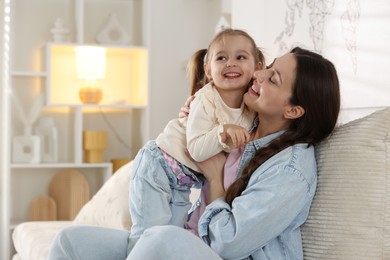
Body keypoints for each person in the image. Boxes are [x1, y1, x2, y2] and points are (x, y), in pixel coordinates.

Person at [48, 47, 340, 260]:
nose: (259, 74)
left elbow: (229, 243)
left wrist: (214, 181)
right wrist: (197, 110)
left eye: (273, 78)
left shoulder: (291, 171)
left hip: (219, 252)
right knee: (69, 242)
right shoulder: (246, 125)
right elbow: (210, 105)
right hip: (192, 240)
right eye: (269, 65)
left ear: (293, 110)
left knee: (162, 238)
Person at [127, 29, 265, 252]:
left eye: (240, 57)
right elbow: (198, 151)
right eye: (221, 58)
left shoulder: (251, 110)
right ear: (208, 69)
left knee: (169, 244)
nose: (231, 63)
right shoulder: (206, 98)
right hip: (158, 167)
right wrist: (223, 131)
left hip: (181, 182)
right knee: (147, 240)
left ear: (258, 66)